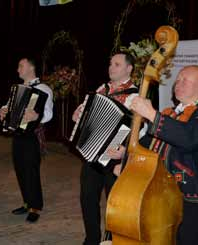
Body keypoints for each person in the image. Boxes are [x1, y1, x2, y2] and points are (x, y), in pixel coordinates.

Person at [122, 65, 198, 245]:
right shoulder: (171, 113)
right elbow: (149, 144)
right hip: (164, 192)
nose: (178, 83)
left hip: (192, 198)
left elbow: (188, 137)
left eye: (186, 79)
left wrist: (152, 114)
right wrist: (124, 154)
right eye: (178, 79)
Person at [71, 52, 138, 244]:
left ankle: (111, 240)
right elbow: (86, 113)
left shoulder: (135, 96)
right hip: (92, 154)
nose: (111, 67)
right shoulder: (102, 88)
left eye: (117, 64)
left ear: (129, 68)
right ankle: (92, 239)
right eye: (110, 64)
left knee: (113, 203)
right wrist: (78, 116)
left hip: (115, 157)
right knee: (87, 199)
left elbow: (141, 131)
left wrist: (125, 149)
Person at [0, 57, 53, 223]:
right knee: (20, 170)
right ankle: (27, 202)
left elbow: (49, 113)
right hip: (18, 134)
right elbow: (7, 106)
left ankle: (35, 207)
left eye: (21, 66)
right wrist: (2, 110)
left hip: (32, 136)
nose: (18, 69)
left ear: (31, 67)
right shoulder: (18, 89)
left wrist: (37, 115)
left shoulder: (43, 89)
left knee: (31, 171)